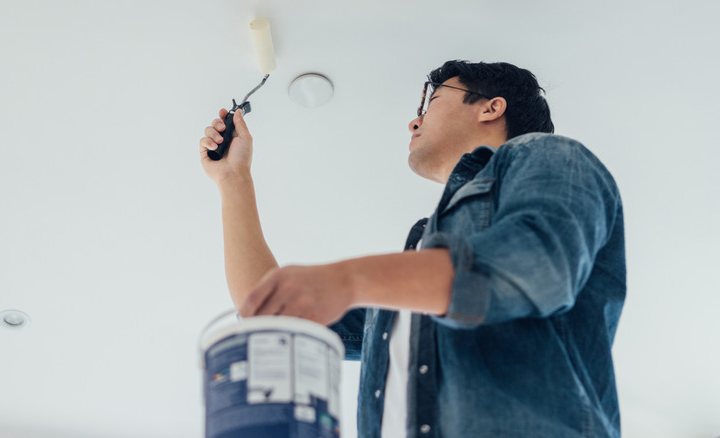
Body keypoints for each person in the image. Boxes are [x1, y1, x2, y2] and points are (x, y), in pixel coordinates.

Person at [199, 60, 625, 438]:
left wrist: (347, 280)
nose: (413, 122)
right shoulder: (416, 275)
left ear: (491, 107)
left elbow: (534, 267)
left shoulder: (548, 157)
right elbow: (273, 311)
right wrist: (233, 180)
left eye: (433, 101)